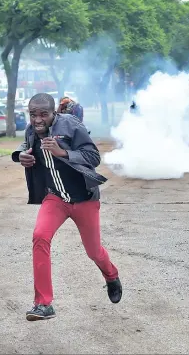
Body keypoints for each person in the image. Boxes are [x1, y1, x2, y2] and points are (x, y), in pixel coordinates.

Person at [12, 93, 122, 321]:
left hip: (84, 199)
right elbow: (25, 147)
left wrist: (62, 152)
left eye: (43, 114)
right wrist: (20, 156)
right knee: (40, 236)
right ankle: (43, 304)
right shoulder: (32, 130)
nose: (38, 119)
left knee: (93, 251)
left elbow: (93, 156)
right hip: (55, 199)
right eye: (33, 114)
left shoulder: (71, 124)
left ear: (54, 113)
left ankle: (111, 275)